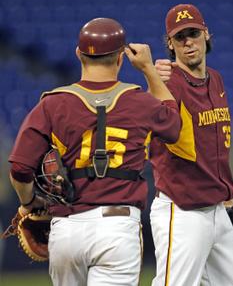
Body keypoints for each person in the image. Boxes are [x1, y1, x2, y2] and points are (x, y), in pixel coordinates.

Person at [8, 18, 181, 286]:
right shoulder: (140, 102)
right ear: (121, 58)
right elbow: (173, 127)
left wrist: (29, 202)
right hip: (118, 226)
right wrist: (149, 69)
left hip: (67, 228)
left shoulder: (53, 103)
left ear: (79, 54)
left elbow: (20, 169)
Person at [149, 4, 233, 286]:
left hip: (216, 208)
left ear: (206, 34)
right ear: (170, 44)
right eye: (180, 37)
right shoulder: (167, 81)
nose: (188, 42)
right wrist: (151, 75)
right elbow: (152, 114)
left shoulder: (215, 78)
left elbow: (215, 146)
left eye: (193, 33)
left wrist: (227, 197)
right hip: (182, 210)